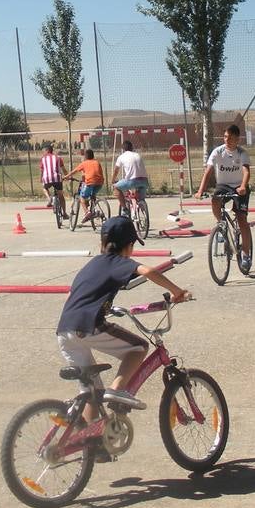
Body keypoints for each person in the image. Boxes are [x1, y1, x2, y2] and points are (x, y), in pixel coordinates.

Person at [57, 215, 191, 432]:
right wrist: (178, 292)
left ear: (102, 242)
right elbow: (148, 271)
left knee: (91, 392)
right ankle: (117, 390)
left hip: (65, 330)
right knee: (139, 347)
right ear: (129, 245)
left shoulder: (91, 264)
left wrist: (105, 308)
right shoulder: (118, 262)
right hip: (88, 325)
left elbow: (78, 296)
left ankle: (89, 439)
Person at [194, 124, 254, 271]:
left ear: (237, 139)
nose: (227, 140)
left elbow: (246, 171)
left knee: (242, 219)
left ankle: (246, 255)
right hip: (223, 185)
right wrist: (200, 190)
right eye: (226, 137)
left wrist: (243, 186)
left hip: (239, 186)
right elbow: (208, 171)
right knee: (215, 200)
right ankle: (221, 224)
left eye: (231, 138)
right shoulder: (217, 151)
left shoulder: (242, 153)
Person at [62, 149, 105, 226]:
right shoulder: (97, 162)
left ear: (86, 156)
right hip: (100, 183)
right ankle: (95, 210)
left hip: (90, 183)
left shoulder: (84, 163)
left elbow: (74, 171)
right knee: (92, 195)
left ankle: (87, 212)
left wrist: (65, 177)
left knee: (82, 197)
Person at [111, 139, 149, 213]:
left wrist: (113, 180)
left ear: (123, 149)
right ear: (132, 148)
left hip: (132, 181)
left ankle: (125, 209)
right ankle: (142, 208)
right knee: (141, 198)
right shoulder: (137, 155)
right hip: (144, 181)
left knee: (116, 188)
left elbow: (116, 171)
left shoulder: (121, 157)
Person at [39, 144, 67, 219]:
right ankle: (64, 213)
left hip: (47, 178)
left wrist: (41, 179)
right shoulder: (58, 158)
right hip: (57, 178)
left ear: (47, 150)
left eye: (43, 151)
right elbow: (63, 169)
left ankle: (49, 198)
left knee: (44, 188)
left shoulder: (43, 159)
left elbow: (42, 171)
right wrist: (67, 176)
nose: (43, 153)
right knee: (61, 196)